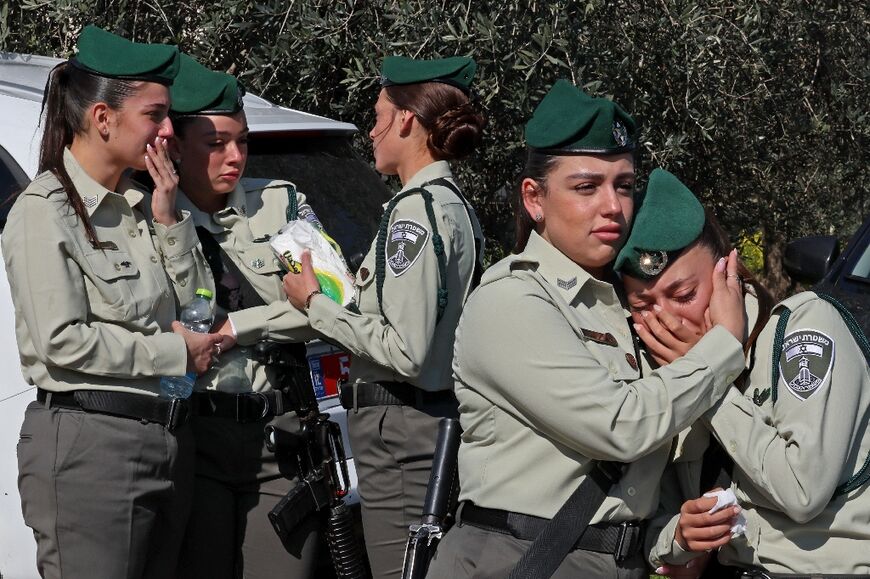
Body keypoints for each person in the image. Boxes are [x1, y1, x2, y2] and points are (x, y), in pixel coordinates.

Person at [424, 80, 748, 579]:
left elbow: (639, 483)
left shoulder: (619, 305)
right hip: (520, 558)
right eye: (585, 187)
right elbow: (622, 428)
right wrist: (724, 344)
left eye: (623, 184)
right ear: (534, 198)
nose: (613, 206)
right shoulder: (511, 301)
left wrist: (674, 537)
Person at [2, 26, 222, 579]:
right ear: (103, 118)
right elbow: (61, 340)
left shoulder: (144, 205)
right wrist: (176, 354)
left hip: (168, 440)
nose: (170, 131)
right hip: (93, 451)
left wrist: (171, 219)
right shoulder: (44, 211)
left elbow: (202, 302)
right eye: (156, 115)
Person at [277, 54, 486, 578]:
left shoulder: (414, 212)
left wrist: (316, 305)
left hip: (400, 424)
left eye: (378, 115)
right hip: (421, 419)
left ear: (407, 121)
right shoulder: (452, 204)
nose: (371, 131)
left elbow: (405, 350)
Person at [617, 169, 870, 577]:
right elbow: (652, 515)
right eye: (644, 306)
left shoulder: (803, 328)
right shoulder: (660, 372)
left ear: (727, 272)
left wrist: (708, 378)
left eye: (684, 295)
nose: (667, 318)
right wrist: (680, 536)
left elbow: (802, 490)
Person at [166, 53, 323, 579]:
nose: (235, 156)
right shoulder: (144, 218)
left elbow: (328, 305)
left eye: (243, 141)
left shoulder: (279, 204)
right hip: (194, 433)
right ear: (173, 147)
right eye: (215, 144)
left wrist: (240, 328)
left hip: (276, 437)